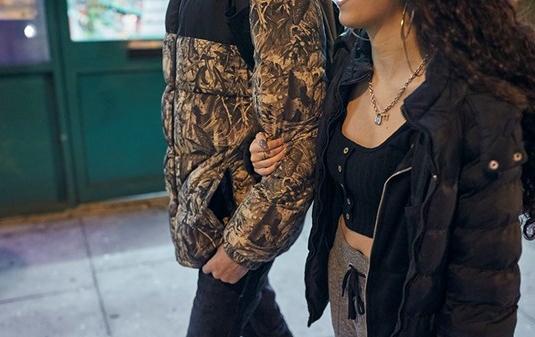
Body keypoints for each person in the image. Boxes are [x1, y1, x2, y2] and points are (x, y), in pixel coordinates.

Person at [250, 0, 535, 336]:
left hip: (412, 312)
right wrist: (263, 152)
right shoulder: (348, 63)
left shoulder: (474, 104)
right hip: (345, 287)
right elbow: (327, 165)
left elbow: (484, 292)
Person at [161, 1, 333, 336]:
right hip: (205, 206)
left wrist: (241, 250)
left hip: (242, 215)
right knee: (261, 322)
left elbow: (298, 141)